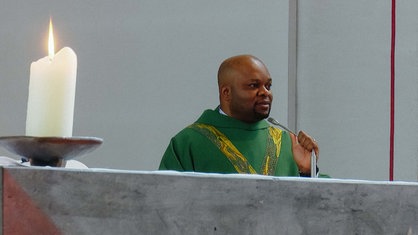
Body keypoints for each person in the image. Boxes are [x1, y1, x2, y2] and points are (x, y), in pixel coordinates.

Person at [159, 54, 320, 177]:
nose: (265, 93)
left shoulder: (287, 143)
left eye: (268, 86)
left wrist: (307, 171)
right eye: (253, 85)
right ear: (226, 93)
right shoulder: (189, 142)